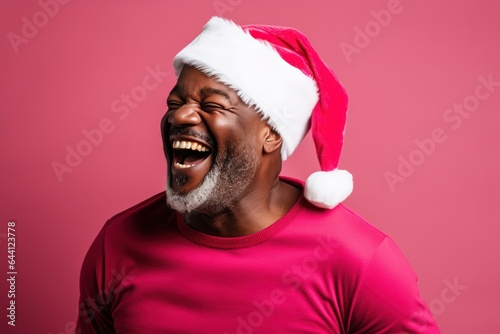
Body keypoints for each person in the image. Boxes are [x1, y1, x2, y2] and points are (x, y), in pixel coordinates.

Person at [76, 17, 440, 333]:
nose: (179, 117)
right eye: (176, 103)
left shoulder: (360, 260)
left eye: (212, 105)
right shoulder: (118, 243)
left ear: (271, 133)